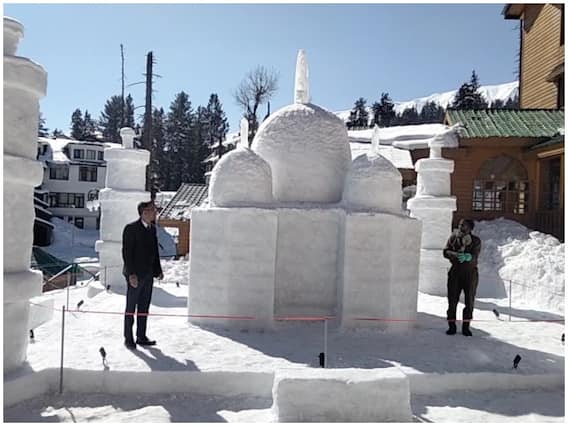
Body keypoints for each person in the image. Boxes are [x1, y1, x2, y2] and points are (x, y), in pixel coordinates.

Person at [122, 201, 163, 349]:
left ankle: (141, 336)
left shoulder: (152, 229)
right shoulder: (131, 228)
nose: (155, 213)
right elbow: (127, 253)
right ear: (144, 212)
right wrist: (131, 274)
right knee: (131, 308)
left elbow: (154, 251)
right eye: (152, 210)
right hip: (135, 275)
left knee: (144, 307)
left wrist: (158, 270)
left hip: (148, 274)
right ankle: (128, 338)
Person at [443, 219, 481, 337]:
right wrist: (455, 255)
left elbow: (475, 256)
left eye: (463, 225)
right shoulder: (453, 238)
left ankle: (466, 327)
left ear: (470, 228)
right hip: (455, 273)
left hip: (470, 274)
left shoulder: (476, 241)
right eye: (460, 225)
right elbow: (445, 252)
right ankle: (451, 325)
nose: (460, 227)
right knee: (452, 300)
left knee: (469, 301)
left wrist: (468, 257)